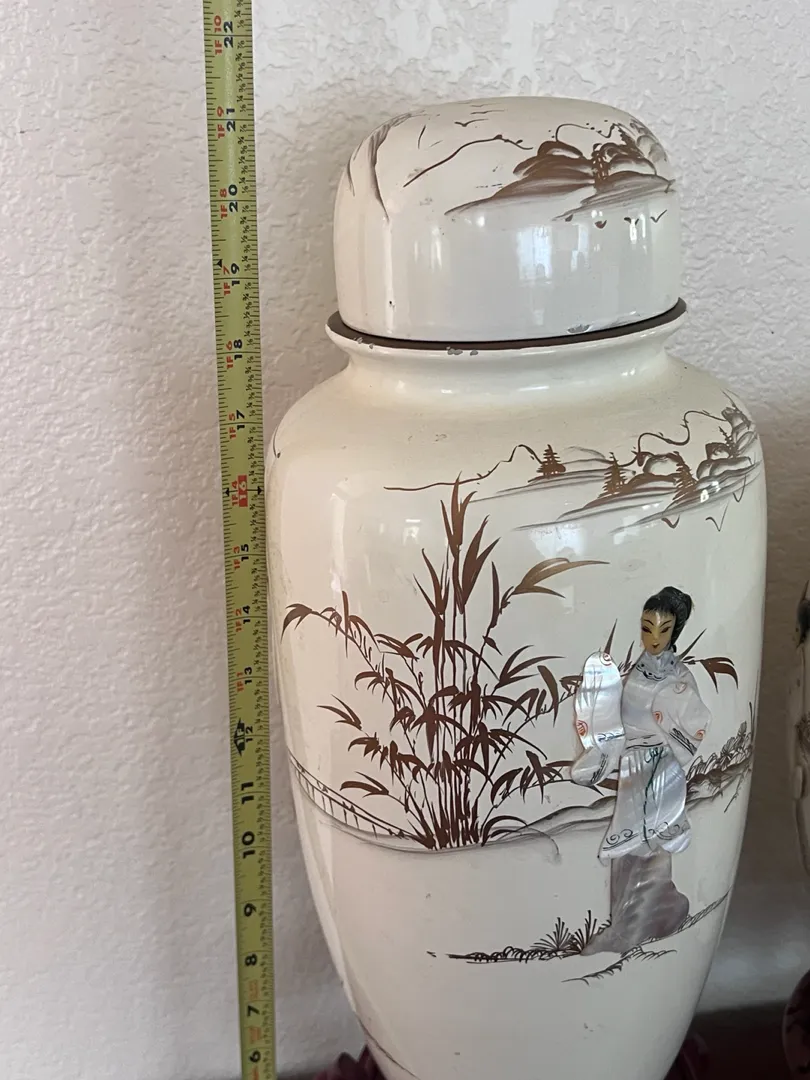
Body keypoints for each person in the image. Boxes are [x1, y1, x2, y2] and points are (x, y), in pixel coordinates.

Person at [571, 586, 711, 955]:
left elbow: (694, 722)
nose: (653, 638)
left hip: (660, 767)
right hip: (634, 767)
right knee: (627, 844)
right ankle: (629, 918)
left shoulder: (679, 677)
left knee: (653, 840)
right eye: (646, 628)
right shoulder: (637, 672)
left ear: (675, 631)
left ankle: (642, 920)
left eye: (663, 630)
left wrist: (666, 738)